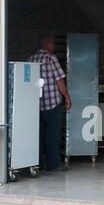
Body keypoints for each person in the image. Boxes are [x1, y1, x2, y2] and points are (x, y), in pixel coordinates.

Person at [29, 33, 71, 171]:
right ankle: (53, 164)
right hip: (52, 104)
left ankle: (38, 163)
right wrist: (67, 96)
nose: (54, 46)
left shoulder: (32, 58)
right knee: (53, 136)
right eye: (53, 43)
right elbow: (59, 79)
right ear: (46, 44)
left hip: (37, 104)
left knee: (38, 136)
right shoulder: (51, 58)